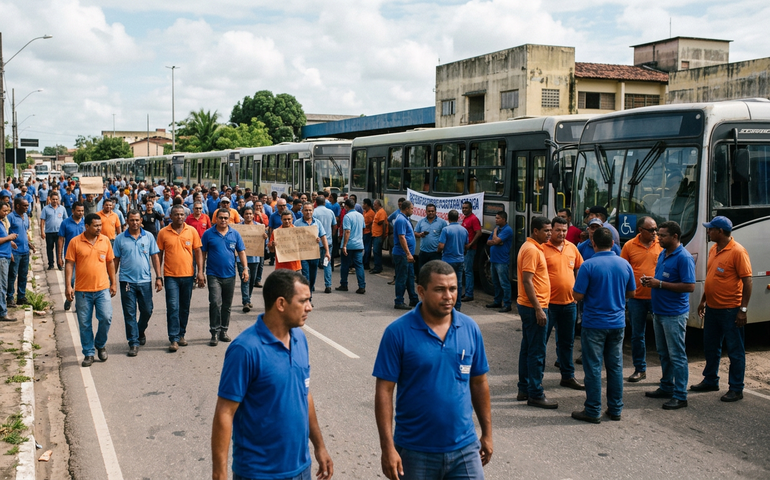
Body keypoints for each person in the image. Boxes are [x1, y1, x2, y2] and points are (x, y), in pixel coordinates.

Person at [373, 260, 492, 480]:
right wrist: (387, 447)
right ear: (421, 291)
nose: (448, 296)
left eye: (453, 288)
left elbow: (478, 382)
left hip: (465, 448)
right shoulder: (397, 332)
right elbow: (384, 391)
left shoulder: (470, 328)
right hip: (415, 450)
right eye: (439, 289)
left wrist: (487, 434)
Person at [212, 270, 334, 480]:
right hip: (259, 473)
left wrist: (319, 446)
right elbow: (225, 412)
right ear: (281, 303)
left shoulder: (299, 339)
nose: (309, 307)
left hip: (301, 469)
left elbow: (304, 394)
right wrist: (219, 474)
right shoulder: (245, 349)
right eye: (303, 301)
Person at [572, 227, 636, 423]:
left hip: (594, 323)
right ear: (613, 244)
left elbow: (578, 295)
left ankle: (592, 410)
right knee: (615, 367)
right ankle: (615, 409)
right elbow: (631, 293)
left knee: (593, 367)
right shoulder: (624, 264)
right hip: (617, 323)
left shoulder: (588, 265)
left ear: (593, 243)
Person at [691, 216, 752, 402]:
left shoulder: (738, 251)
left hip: (730, 310)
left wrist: (742, 310)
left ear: (720, 231)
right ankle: (710, 380)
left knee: (735, 350)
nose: (708, 232)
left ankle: (736, 388)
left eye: (711, 229)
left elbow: (747, 281)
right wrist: (703, 301)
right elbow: (712, 278)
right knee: (711, 347)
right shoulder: (714, 249)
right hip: (712, 308)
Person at [641, 221, 695, 409]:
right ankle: (666, 386)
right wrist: (652, 281)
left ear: (675, 236)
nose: (658, 238)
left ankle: (680, 395)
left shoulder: (684, 258)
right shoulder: (664, 253)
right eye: (658, 235)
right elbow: (662, 279)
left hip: (674, 314)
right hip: (659, 312)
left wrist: (660, 284)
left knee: (677, 355)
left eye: (663, 235)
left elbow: (690, 286)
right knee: (664, 353)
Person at [65, 213, 118, 368]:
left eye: (100, 225)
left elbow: (110, 262)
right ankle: (88, 353)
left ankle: (100, 344)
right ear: (87, 226)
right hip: (82, 291)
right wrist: (68, 286)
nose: (99, 228)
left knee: (106, 317)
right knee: (85, 324)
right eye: (95, 226)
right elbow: (69, 264)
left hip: (102, 289)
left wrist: (113, 283)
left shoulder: (105, 240)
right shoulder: (75, 242)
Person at [516, 216, 557, 409]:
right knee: (537, 352)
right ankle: (535, 393)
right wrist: (539, 309)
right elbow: (527, 280)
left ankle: (524, 388)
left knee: (528, 348)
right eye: (546, 230)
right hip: (534, 307)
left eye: (550, 230)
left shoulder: (533, 247)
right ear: (535, 231)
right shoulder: (532, 250)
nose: (550, 233)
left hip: (531, 306)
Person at [113, 210, 163, 357]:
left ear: (141, 221)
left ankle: (140, 330)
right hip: (127, 281)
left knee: (147, 310)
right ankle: (133, 342)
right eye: (131, 220)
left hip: (145, 281)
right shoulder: (120, 239)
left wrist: (159, 277)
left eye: (137, 220)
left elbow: (155, 257)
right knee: (129, 313)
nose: (134, 223)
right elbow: (115, 260)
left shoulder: (148, 237)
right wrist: (111, 280)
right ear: (127, 221)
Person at [543, 216, 584, 390]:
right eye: (558, 230)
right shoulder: (542, 249)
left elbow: (580, 268)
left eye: (564, 230)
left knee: (567, 343)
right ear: (551, 230)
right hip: (548, 305)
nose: (561, 233)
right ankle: (535, 380)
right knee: (541, 343)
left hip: (569, 304)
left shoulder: (572, 248)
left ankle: (567, 376)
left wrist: (577, 292)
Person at [157, 205, 205, 351]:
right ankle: (173, 338)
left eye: (182, 214)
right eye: (176, 214)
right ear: (171, 216)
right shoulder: (163, 233)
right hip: (171, 276)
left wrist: (200, 272)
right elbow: (159, 255)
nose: (179, 217)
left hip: (188, 276)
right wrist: (158, 276)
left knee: (184, 307)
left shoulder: (192, 231)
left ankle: (181, 334)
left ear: (185, 216)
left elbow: (198, 251)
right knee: (173, 307)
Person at [620, 216, 662, 383]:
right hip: (636, 298)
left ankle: (666, 374)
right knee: (637, 335)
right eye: (651, 230)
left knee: (661, 335)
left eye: (656, 229)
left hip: (657, 297)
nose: (655, 233)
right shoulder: (629, 246)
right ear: (640, 230)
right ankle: (640, 369)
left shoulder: (661, 244)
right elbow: (623, 270)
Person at [202, 208, 248, 347]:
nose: (223, 220)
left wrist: (245, 268)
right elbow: (202, 253)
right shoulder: (208, 234)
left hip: (230, 275)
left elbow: (241, 251)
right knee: (215, 303)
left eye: (225, 218)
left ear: (229, 219)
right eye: (220, 218)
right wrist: (200, 272)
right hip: (213, 274)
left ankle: (224, 331)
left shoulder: (235, 234)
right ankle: (214, 332)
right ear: (216, 219)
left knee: (227, 305)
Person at [296, 202, 330, 300]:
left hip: (314, 254)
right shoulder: (297, 223)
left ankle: (309, 293)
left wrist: (327, 251)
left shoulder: (317, 223)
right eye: (306, 210)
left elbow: (323, 237)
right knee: (306, 276)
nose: (308, 212)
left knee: (312, 277)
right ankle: (307, 298)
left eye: (310, 210)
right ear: (302, 211)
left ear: (313, 211)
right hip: (303, 255)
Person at [237, 207, 267, 313]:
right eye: (246, 214)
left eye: (250, 213)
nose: (248, 215)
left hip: (255, 258)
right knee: (245, 279)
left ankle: (248, 298)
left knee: (252, 280)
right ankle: (246, 301)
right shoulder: (238, 228)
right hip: (241, 258)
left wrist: (265, 237)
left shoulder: (259, 227)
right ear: (243, 215)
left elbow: (263, 242)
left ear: (253, 215)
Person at [7, 197, 35, 308]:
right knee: (12, 275)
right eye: (25, 205)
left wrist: (29, 244)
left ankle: (21, 297)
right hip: (15, 252)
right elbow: (5, 234)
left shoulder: (26, 217)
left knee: (23, 275)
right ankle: (10, 298)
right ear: (18, 206)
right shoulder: (10, 217)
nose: (27, 207)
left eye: (27, 205)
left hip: (25, 251)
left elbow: (24, 232)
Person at [437, 209, 467, 311]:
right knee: (458, 284)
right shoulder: (464, 230)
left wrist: (438, 251)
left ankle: (446, 304)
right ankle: (457, 306)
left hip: (448, 260)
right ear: (458, 218)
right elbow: (466, 245)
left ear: (448, 218)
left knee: (445, 284)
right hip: (460, 260)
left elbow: (441, 245)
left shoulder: (446, 230)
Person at [58, 202, 86, 310]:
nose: (81, 213)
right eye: (78, 211)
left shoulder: (86, 223)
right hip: (71, 258)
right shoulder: (65, 223)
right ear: (73, 211)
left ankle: (79, 304)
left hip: (84, 257)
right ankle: (69, 298)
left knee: (82, 281)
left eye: (82, 211)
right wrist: (59, 257)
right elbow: (61, 240)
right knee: (71, 280)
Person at [485, 212, 513, 313]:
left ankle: (507, 304)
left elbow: (495, 241)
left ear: (504, 219)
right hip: (493, 260)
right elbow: (488, 242)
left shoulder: (507, 230)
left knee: (504, 283)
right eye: (495, 218)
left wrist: (495, 235)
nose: (496, 220)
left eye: (498, 218)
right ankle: (497, 301)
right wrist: (496, 241)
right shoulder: (497, 229)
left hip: (502, 261)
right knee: (496, 282)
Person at [392, 200, 417, 309]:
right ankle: (399, 301)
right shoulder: (401, 220)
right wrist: (408, 253)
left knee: (410, 277)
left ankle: (413, 299)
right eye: (411, 208)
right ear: (406, 209)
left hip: (407, 255)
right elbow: (402, 237)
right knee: (402, 278)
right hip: (402, 254)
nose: (412, 211)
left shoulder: (405, 218)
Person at [337, 198, 366, 294]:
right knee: (359, 266)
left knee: (345, 265)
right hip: (359, 244)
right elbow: (363, 228)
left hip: (349, 245)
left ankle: (344, 284)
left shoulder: (347, 216)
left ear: (346, 206)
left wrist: (344, 245)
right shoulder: (361, 216)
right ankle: (362, 286)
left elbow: (347, 231)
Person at [312, 194, 336, 293]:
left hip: (316, 243)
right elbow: (334, 225)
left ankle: (312, 285)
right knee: (327, 264)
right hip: (328, 242)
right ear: (324, 203)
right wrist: (331, 235)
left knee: (314, 264)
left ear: (316, 203)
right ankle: (328, 285)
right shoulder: (330, 212)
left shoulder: (314, 212)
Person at [414, 203, 447, 276]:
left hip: (435, 253)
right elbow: (415, 233)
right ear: (426, 212)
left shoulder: (442, 222)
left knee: (435, 274)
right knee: (422, 273)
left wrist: (441, 248)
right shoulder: (421, 222)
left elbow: (446, 236)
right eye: (429, 211)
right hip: (423, 252)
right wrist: (420, 234)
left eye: (432, 211)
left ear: (435, 211)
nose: (431, 213)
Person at [460, 201, 482, 302]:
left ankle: (469, 294)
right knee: (465, 270)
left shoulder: (473, 219)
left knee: (468, 271)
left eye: (466, 208)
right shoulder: (465, 218)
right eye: (463, 208)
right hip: (465, 249)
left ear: (471, 209)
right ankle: (467, 292)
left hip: (470, 249)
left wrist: (470, 244)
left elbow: (478, 233)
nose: (464, 209)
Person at [0, 204, 18, 322]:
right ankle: (3, 312)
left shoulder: (2, 222)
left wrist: (9, 243)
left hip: (6, 256)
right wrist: (9, 238)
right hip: (1, 258)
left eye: (7, 211)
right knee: (2, 286)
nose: (6, 213)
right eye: (4, 211)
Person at [40, 192, 67, 270]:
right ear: (50, 199)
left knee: (59, 249)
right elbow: (42, 221)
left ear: (58, 199)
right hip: (49, 232)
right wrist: (42, 231)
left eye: (56, 199)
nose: (55, 201)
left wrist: (66, 231)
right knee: (49, 249)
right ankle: (51, 264)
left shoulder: (62, 208)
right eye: (53, 199)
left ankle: (60, 264)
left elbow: (65, 220)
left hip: (60, 233)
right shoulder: (45, 209)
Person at [370, 199, 388, 275]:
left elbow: (383, 224)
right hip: (376, 235)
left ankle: (378, 267)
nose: (374, 206)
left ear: (378, 205)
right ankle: (377, 266)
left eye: (375, 205)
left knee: (376, 251)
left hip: (378, 235)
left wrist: (383, 235)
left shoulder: (381, 212)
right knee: (376, 252)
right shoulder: (378, 212)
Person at [362, 198, 376, 270]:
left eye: (364, 204)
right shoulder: (364, 212)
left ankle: (366, 263)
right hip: (363, 232)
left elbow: (371, 223)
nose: (363, 205)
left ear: (366, 204)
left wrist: (365, 226)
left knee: (367, 249)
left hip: (368, 232)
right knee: (364, 248)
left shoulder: (371, 213)